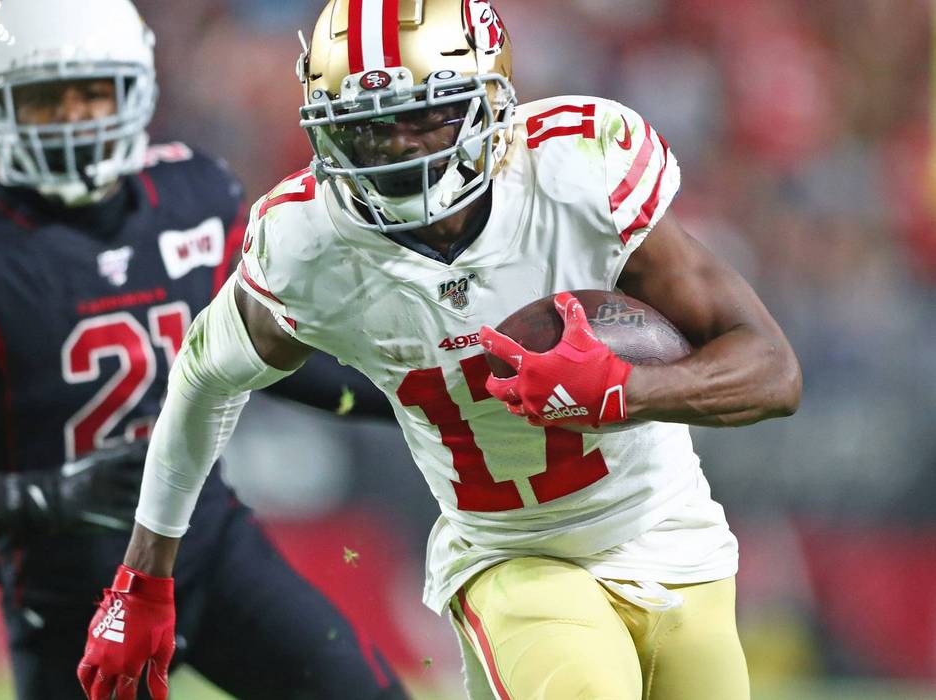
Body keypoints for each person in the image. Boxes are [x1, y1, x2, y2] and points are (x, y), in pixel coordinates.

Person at [77, 1, 802, 699]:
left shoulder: (577, 170)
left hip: (669, 531)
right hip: (511, 553)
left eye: (426, 115)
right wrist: (142, 578)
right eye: (368, 126)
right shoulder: (308, 244)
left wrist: (623, 389)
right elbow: (202, 379)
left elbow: (771, 370)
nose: (399, 147)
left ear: (490, 100)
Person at [0, 1, 407, 699]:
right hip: (73, 587)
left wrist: (412, 398)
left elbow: (268, 355)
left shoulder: (192, 195)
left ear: (135, 89)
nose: (75, 114)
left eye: (93, 90)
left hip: (210, 546)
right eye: (47, 97)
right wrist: (49, 495)